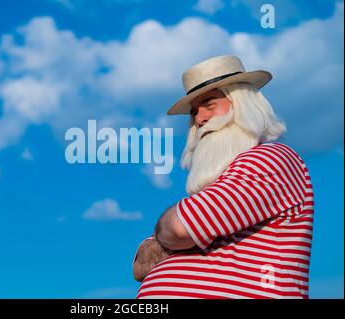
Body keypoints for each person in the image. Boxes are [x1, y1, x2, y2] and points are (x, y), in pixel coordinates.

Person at [133, 55, 314, 299]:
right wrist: (177, 231)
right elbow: (141, 265)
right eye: (194, 112)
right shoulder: (227, 183)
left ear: (242, 104)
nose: (200, 119)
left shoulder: (271, 158)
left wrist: (169, 235)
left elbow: (179, 229)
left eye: (209, 104)